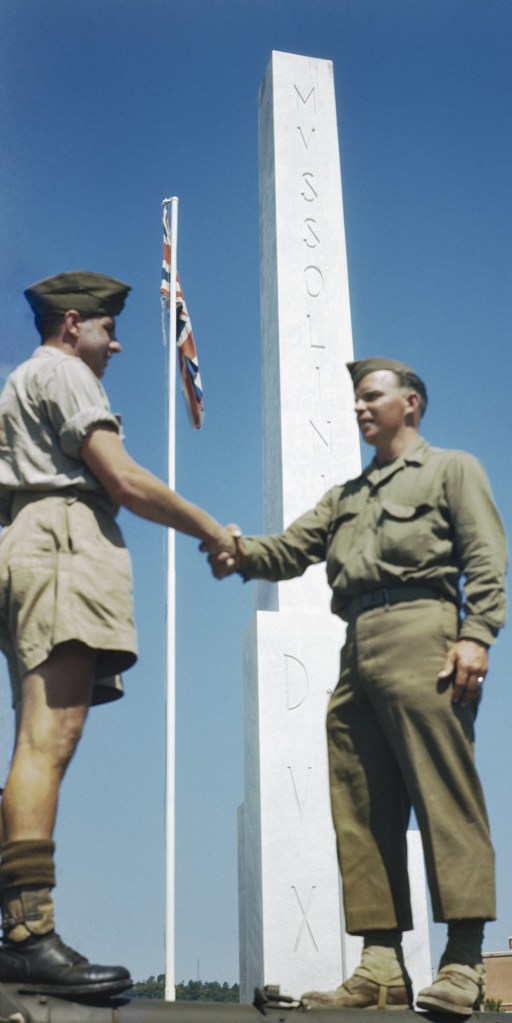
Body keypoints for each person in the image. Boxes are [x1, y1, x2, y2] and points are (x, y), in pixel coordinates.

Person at [208, 356, 507, 1016]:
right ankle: (380, 963)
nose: (360, 407)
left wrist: (476, 632)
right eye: (356, 398)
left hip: (425, 630)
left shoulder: (451, 469)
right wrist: (234, 548)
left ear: (412, 404)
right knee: (361, 805)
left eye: (373, 395)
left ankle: (463, 957)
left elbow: (485, 555)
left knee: (446, 794)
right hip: (357, 645)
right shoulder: (348, 495)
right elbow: (288, 550)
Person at [0, 271, 237, 997]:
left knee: (37, 741)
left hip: (32, 542)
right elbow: (123, 480)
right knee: (48, 739)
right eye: (107, 329)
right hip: (62, 544)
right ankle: (27, 932)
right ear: (73, 325)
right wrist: (210, 528)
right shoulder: (66, 376)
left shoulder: (20, 382)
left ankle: (18, 920)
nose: (116, 343)